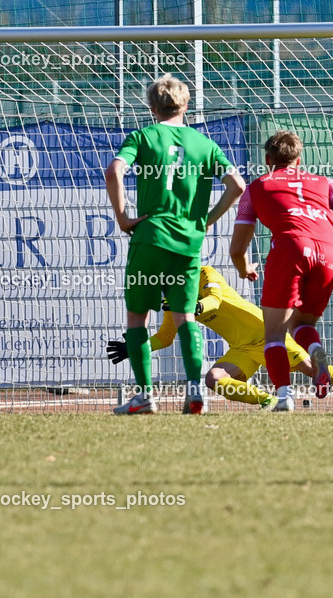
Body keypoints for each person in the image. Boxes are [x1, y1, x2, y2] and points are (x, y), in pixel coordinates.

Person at [105, 74, 245, 415]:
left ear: (152, 107)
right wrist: (207, 220)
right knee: (184, 318)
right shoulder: (204, 144)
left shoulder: (143, 136)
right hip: (187, 242)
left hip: (150, 238)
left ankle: (144, 396)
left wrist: (123, 219)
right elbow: (238, 185)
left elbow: (114, 171)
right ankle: (196, 391)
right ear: (186, 105)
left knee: (137, 320)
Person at [106, 265, 333, 411]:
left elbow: (216, 300)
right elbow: (166, 337)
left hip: (266, 333)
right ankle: (268, 401)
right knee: (214, 379)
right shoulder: (173, 302)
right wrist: (135, 346)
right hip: (242, 348)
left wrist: (195, 307)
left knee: (314, 370)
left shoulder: (204, 273)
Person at [229, 131, 333, 412]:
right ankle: (317, 353)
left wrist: (244, 269)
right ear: (298, 160)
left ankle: (283, 397)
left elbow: (237, 249)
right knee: (303, 325)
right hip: (329, 251)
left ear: (267, 160)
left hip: (291, 249)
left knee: (275, 335)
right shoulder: (324, 183)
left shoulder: (255, 189)